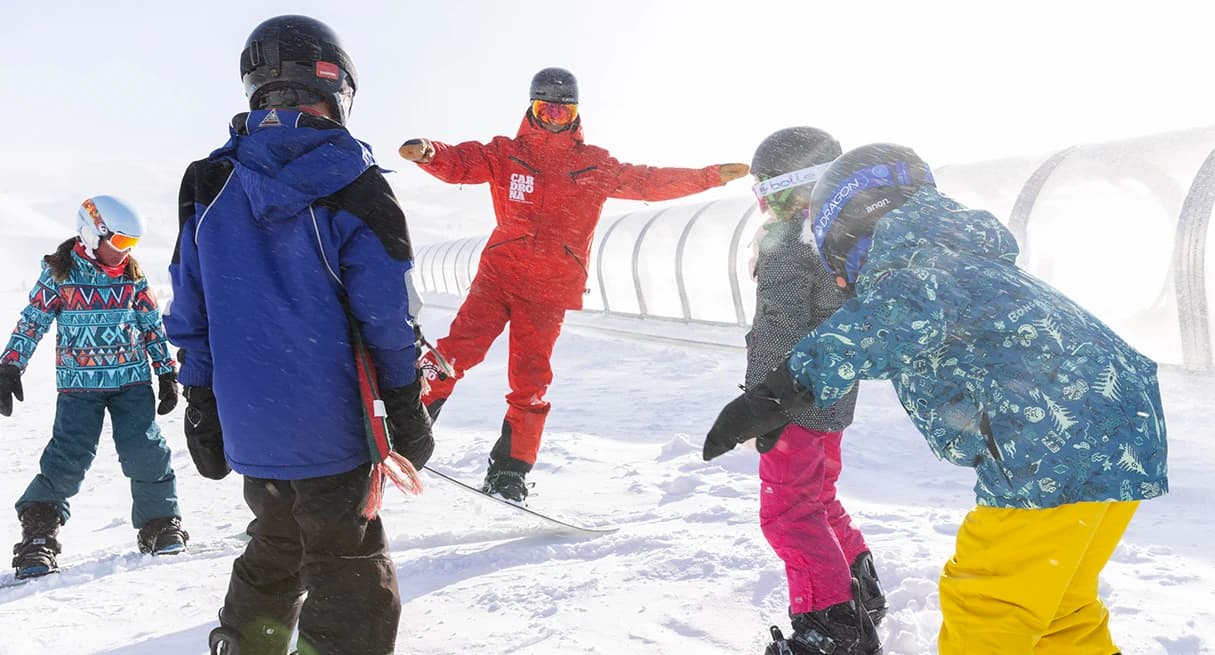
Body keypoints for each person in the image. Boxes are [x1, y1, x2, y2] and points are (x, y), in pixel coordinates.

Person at [705, 143, 1168, 654]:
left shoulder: (911, 263)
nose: (841, 279)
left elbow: (886, 320)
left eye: (837, 258)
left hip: (1054, 444)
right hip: (1122, 432)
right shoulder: (954, 253)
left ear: (852, 226)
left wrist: (777, 392)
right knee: (1059, 612)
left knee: (987, 606)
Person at [164, 15, 433, 655]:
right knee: (348, 568)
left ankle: (246, 645)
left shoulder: (207, 183)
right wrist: (404, 401)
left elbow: (190, 307)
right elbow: (387, 316)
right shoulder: (358, 183)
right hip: (334, 429)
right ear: (336, 86)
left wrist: (202, 402)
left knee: (277, 540)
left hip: (252, 425)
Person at [398, 67, 751, 503]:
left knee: (530, 382)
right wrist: (430, 153)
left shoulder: (595, 164)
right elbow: (462, 161)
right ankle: (407, 432)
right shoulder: (506, 153)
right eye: (545, 108)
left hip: (549, 291)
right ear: (531, 109)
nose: (554, 118)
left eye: (563, 112)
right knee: (452, 356)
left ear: (576, 115)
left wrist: (709, 175)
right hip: (499, 277)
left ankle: (510, 472)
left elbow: (649, 180)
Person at [702, 127, 884, 654]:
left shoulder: (786, 236)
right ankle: (858, 591)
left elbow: (781, 321)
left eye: (765, 186)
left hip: (792, 397)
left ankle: (830, 626)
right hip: (832, 391)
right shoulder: (842, 235)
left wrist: (761, 400)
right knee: (818, 497)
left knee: (788, 511)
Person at [0, 195, 186, 580]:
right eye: (119, 243)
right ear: (90, 233)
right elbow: (32, 321)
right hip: (79, 386)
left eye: (131, 245)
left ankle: (159, 523)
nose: (125, 252)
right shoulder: (60, 274)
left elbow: (150, 325)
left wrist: (166, 372)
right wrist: (10, 365)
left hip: (132, 381)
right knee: (68, 457)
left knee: (145, 450)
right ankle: (39, 534)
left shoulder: (132, 276)